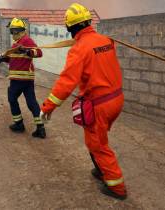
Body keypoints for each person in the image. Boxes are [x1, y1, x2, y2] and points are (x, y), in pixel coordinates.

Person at [40, 3, 127, 199]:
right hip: (116, 100)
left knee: (98, 144)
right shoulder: (105, 40)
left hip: (99, 104)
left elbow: (66, 82)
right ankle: (100, 168)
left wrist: (48, 107)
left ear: (71, 28)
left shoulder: (79, 49)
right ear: (88, 22)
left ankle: (117, 187)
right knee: (95, 139)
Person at [0, 17, 46, 139]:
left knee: (12, 98)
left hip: (19, 78)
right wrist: (1, 58)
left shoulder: (26, 40)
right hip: (25, 79)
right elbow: (12, 59)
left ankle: (19, 124)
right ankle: (40, 128)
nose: (12, 34)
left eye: (12, 31)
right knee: (31, 102)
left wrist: (28, 52)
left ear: (17, 30)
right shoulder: (16, 44)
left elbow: (39, 52)